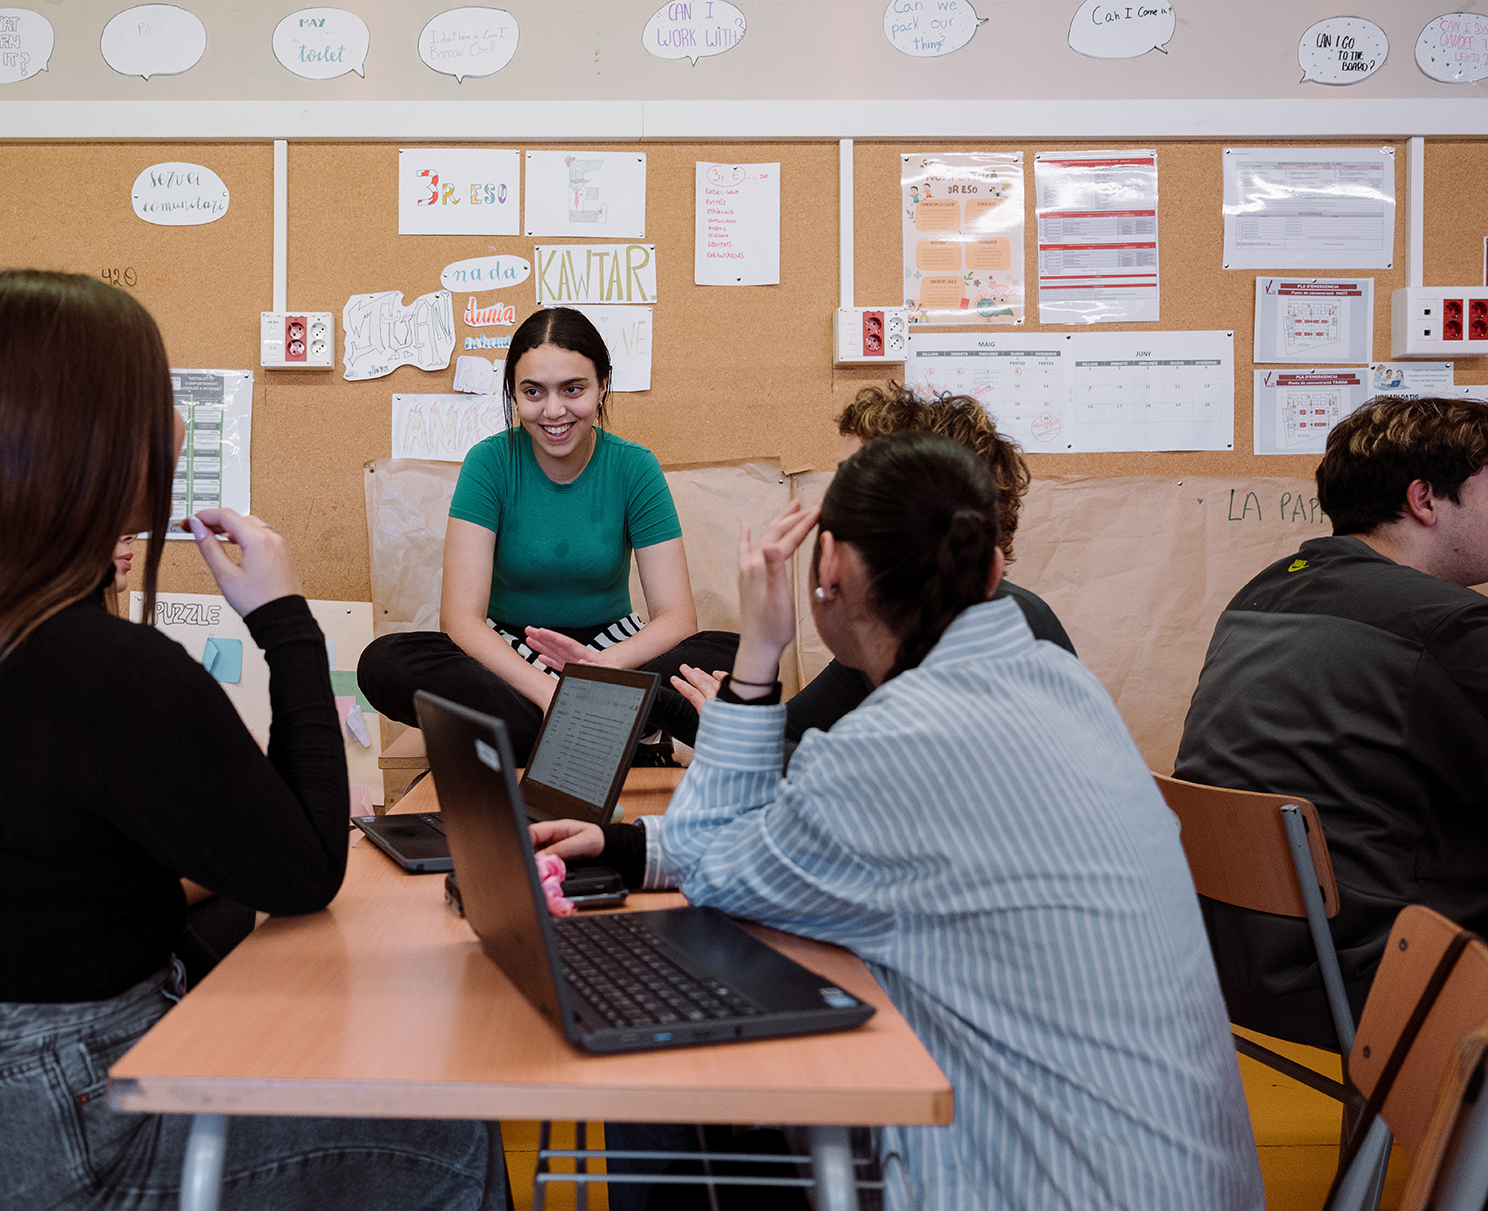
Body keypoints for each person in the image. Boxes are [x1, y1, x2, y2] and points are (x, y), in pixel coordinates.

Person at [0, 269, 503, 1211]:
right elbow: (305, 869)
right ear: (100, 441)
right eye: (160, 400)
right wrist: (285, 620)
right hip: (71, 1122)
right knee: (451, 1134)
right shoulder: (105, 669)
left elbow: (75, 864)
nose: (176, 429)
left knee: (230, 936)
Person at [535, 433, 1260, 1210]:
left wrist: (758, 652)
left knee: (667, 1050)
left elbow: (717, 870)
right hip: (1169, 1178)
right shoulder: (1064, 682)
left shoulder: (893, 743)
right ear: (993, 568)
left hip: (1031, 1184)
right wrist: (633, 847)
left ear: (832, 571)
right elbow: (754, 843)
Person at [1176, 394, 1488, 1049]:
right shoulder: (1447, 626)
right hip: (1374, 981)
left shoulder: (1264, 591)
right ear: (1426, 500)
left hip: (1239, 968)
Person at [359, 307, 736, 758]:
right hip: (509, 657)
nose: (553, 411)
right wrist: (546, 690)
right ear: (514, 394)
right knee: (383, 663)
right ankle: (610, 731)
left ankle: (539, 737)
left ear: (601, 387)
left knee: (735, 657)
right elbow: (461, 619)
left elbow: (676, 617)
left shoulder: (634, 466)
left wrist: (598, 669)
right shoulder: (490, 462)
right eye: (533, 392)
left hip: (612, 654)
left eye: (572, 389)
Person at [673, 382, 1075, 750]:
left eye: (854, 481)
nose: (827, 505)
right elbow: (794, 740)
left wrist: (746, 696)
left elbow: (816, 780)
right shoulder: (894, 626)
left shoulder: (1007, 637)